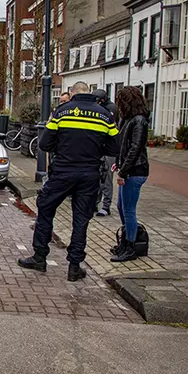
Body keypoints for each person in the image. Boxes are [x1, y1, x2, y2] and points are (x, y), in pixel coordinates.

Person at [18, 81, 119, 281]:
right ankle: (74, 266)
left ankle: (40, 257)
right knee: (81, 220)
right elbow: (115, 148)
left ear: (72, 95)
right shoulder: (105, 115)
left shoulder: (62, 112)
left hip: (62, 172)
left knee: (46, 209)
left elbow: (45, 144)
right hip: (89, 174)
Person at [110, 86, 150, 262]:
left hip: (135, 171)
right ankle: (126, 240)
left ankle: (131, 245)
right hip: (127, 170)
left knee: (128, 209)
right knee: (121, 207)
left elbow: (135, 149)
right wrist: (117, 164)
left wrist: (123, 171)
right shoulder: (127, 119)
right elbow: (123, 146)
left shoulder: (139, 121)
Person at [92, 89, 120, 217]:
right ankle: (94, 203)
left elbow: (109, 128)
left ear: (102, 100)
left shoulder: (111, 109)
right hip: (99, 148)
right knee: (97, 177)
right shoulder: (98, 108)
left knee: (107, 177)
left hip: (109, 149)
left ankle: (106, 205)